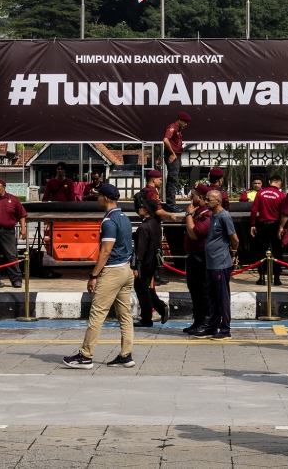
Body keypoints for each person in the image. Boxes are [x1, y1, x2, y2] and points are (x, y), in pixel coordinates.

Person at [62, 184, 136, 369]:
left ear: (105, 198)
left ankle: (85, 356)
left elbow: (105, 251)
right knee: (125, 315)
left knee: (97, 314)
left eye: (98, 196)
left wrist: (93, 275)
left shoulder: (109, 221)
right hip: (126, 270)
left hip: (112, 272)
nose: (96, 199)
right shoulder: (125, 218)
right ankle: (126, 355)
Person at [189, 190, 239, 340]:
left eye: (210, 199)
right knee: (212, 297)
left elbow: (234, 239)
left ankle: (225, 329)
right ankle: (212, 326)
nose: (207, 201)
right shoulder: (214, 216)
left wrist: (233, 254)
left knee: (222, 297)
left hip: (220, 263)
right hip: (210, 263)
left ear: (218, 201)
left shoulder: (224, 216)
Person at [133, 198, 169, 328]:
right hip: (152, 262)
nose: (139, 209)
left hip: (144, 264)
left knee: (141, 289)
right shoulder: (154, 223)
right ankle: (160, 307)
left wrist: (136, 265)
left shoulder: (143, 227)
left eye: (141, 207)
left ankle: (147, 317)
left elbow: (140, 249)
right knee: (146, 288)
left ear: (146, 210)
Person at [182, 185, 212, 334]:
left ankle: (205, 322)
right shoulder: (197, 213)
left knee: (203, 290)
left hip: (202, 257)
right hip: (193, 257)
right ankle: (197, 321)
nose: (190, 198)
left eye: (193, 195)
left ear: (200, 197)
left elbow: (195, 233)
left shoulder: (207, 214)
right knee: (194, 290)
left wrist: (188, 215)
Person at [251, 176, 285, 285]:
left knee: (261, 252)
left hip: (263, 224)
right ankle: (277, 278)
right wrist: (283, 227)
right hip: (276, 225)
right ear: (279, 183)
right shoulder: (281, 195)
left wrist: (252, 224)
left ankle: (261, 277)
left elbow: (254, 210)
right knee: (277, 252)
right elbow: (284, 212)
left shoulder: (260, 194)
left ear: (269, 182)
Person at [163, 112, 191, 212]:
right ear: (180, 120)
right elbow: (165, 140)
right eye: (185, 122)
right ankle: (171, 206)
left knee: (172, 180)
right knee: (173, 180)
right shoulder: (173, 127)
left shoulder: (178, 129)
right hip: (173, 156)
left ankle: (170, 204)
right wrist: (172, 153)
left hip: (176, 155)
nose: (186, 124)